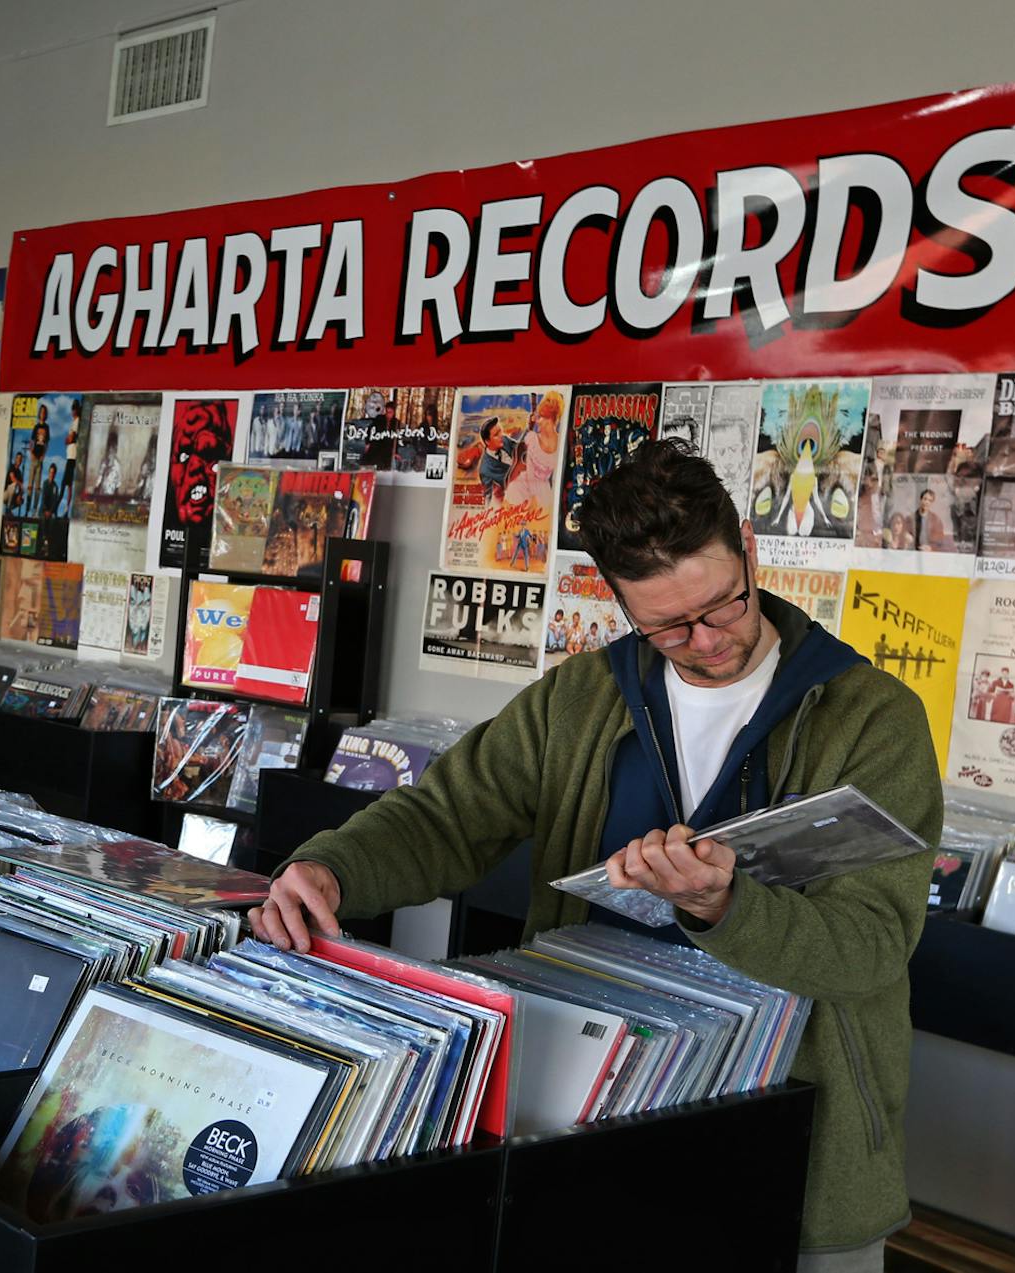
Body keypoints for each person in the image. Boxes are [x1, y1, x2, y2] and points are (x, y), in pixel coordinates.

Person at [254, 439, 940, 1270]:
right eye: (667, 625)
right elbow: (446, 815)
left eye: (723, 604)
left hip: (799, 1129)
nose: (707, 638)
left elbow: (872, 944)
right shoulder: (582, 698)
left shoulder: (871, 717)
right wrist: (334, 867)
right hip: (597, 1110)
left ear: (750, 552)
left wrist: (728, 908)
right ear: (618, 603)